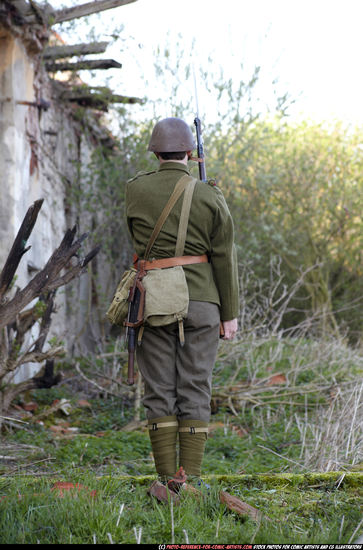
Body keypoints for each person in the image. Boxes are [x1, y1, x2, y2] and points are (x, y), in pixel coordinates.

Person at [125, 117, 239, 486]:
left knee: (159, 388)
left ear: (155, 152)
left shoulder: (135, 190)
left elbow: (138, 243)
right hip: (203, 302)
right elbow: (224, 255)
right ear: (191, 152)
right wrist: (230, 314)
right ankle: (188, 479)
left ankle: (164, 479)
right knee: (195, 385)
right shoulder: (209, 194)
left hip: (155, 300)